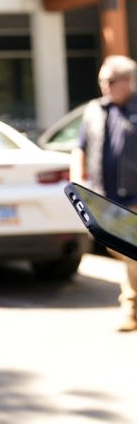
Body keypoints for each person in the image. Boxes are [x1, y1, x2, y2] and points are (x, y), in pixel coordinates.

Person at [73, 54, 137, 333]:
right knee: (125, 252)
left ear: (127, 81)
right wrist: (77, 179)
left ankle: (131, 308)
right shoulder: (94, 110)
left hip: (135, 198)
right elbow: (80, 147)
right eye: (101, 81)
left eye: (109, 81)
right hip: (104, 198)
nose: (104, 86)